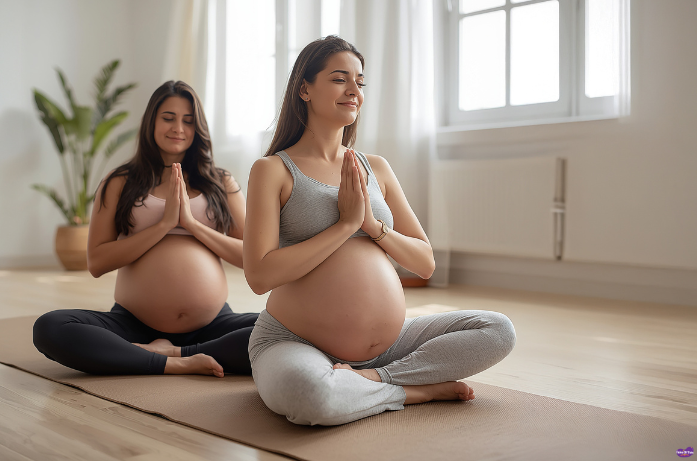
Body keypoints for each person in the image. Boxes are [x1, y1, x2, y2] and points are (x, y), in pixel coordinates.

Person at [243, 36, 516, 426]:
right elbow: (259, 275)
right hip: (296, 341)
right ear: (304, 88)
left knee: (497, 329)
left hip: (390, 345)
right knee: (311, 398)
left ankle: (375, 381)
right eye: (340, 79)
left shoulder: (377, 168)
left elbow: (424, 263)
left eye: (360, 82)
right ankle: (413, 390)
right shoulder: (272, 170)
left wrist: (372, 226)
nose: (354, 91)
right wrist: (346, 226)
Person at [33, 81, 257, 377]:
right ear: (151, 121)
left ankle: (171, 354)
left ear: (198, 129)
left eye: (188, 121)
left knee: (290, 329)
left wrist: (191, 225)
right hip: (133, 325)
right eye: (168, 118)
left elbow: (251, 258)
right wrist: (163, 225)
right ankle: (176, 362)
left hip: (212, 324)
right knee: (49, 328)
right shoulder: (120, 181)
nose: (178, 128)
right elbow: (97, 262)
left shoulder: (220, 182)